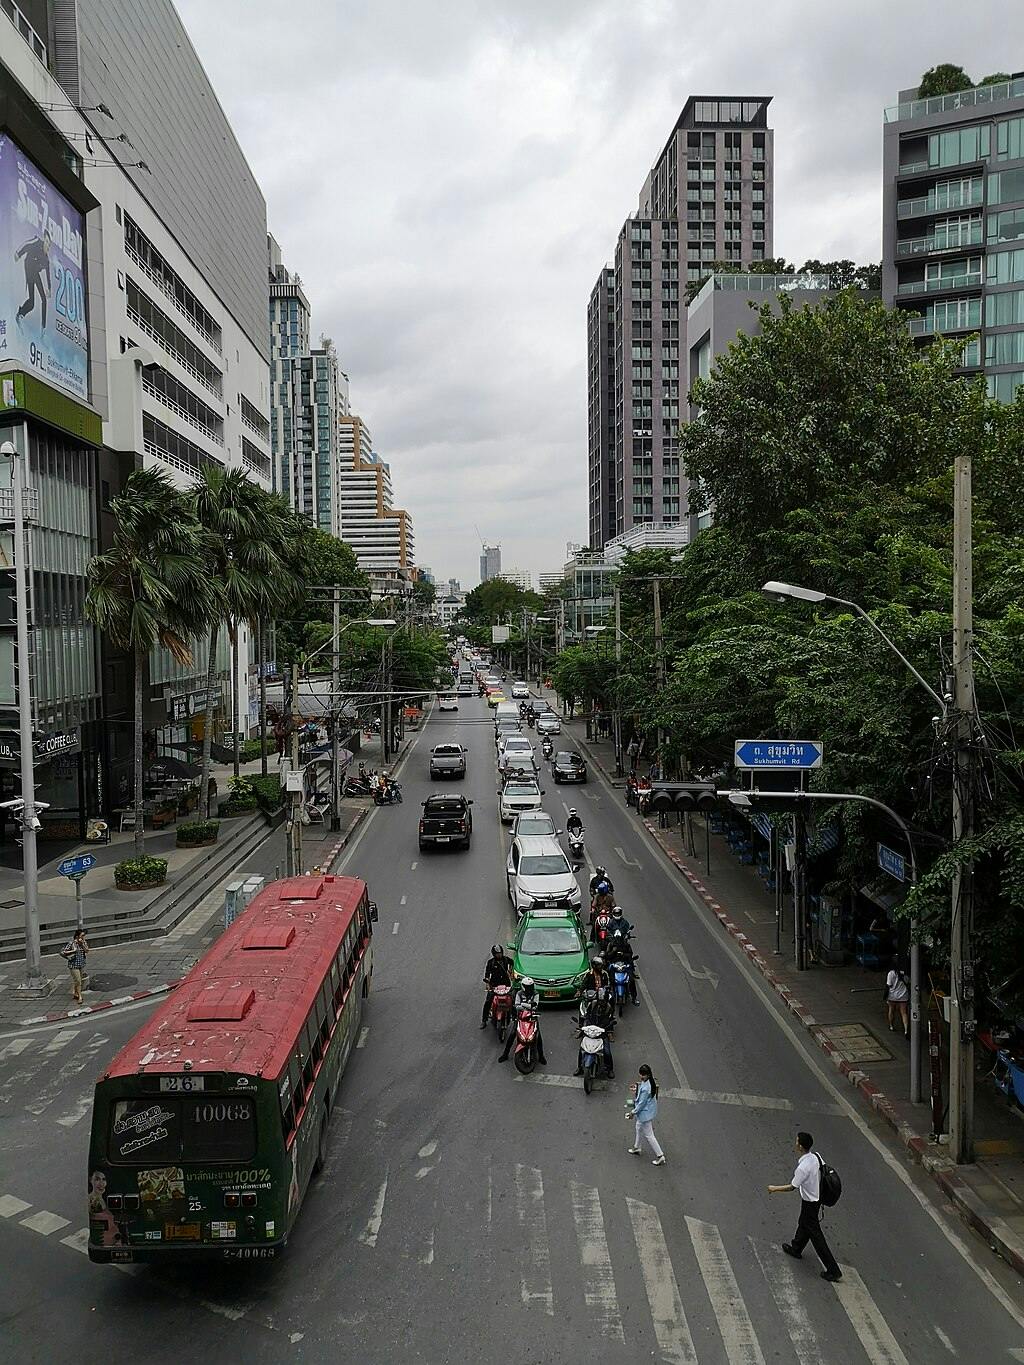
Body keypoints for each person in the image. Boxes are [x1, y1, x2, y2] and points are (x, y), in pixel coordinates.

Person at [768, 1131, 842, 1282]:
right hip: (817, 1198)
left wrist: (774, 1188)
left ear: (800, 1147)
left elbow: (792, 1187)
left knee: (816, 1236)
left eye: (796, 1142)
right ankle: (796, 1248)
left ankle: (833, 1270)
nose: (795, 1144)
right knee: (804, 1224)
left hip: (810, 1202)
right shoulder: (816, 1156)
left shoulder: (802, 1168)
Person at [498, 977, 547, 1064]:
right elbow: (517, 1006)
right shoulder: (519, 993)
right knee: (512, 1034)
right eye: (528, 986)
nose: (530, 988)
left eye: (531, 986)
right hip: (520, 1017)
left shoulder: (535, 994)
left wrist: (523, 1005)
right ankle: (505, 1054)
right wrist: (528, 1006)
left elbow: (535, 1006)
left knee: (538, 1036)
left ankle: (541, 1056)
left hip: (532, 1017)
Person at [626, 1064, 665, 1165]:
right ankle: (637, 1147)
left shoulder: (646, 1088)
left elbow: (641, 1104)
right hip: (648, 1112)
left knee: (649, 1135)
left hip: (645, 1114)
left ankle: (660, 1156)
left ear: (647, 1075)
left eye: (643, 1075)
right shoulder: (649, 1082)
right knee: (638, 1127)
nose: (641, 1076)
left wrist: (632, 1112)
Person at [15, 229, 51, 331]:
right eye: (47, 242)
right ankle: (20, 315)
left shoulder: (46, 260)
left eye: (49, 244)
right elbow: (27, 244)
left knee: (33, 303)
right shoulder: (37, 242)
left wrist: (49, 288)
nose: (47, 246)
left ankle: (21, 314)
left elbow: (48, 274)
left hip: (34, 272)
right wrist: (19, 253)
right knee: (39, 299)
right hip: (28, 266)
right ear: (44, 240)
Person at [481, 945, 513, 1027]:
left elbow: (512, 962)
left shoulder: (506, 960)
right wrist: (487, 982)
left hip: (506, 984)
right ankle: (484, 1020)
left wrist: (510, 969)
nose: (499, 955)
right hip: (494, 985)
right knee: (488, 1001)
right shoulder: (490, 962)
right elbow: (487, 973)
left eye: (500, 953)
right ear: (494, 954)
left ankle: (514, 1017)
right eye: (497, 954)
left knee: (511, 999)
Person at [61, 927, 89, 1003]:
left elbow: (87, 950)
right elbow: (64, 952)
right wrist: (73, 950)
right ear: (77, 936)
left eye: (84, 936)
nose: (83, 937)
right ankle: (80, 996)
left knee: (78, 980)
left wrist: (82, 944)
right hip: (73, 965)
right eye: (82, 936)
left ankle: (75, 993)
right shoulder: (71, 943)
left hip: (81, 964)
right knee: (78, 980)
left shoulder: (83, 942)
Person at [885, 957, 910, 1036]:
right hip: (903, 995)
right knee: (904, 1013)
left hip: (892, 996)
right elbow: (908, 982)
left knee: (891, 1010)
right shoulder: (904, 973)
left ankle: (891, 1025)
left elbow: (889, 985)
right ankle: (906, 1029)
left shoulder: (891, 973)